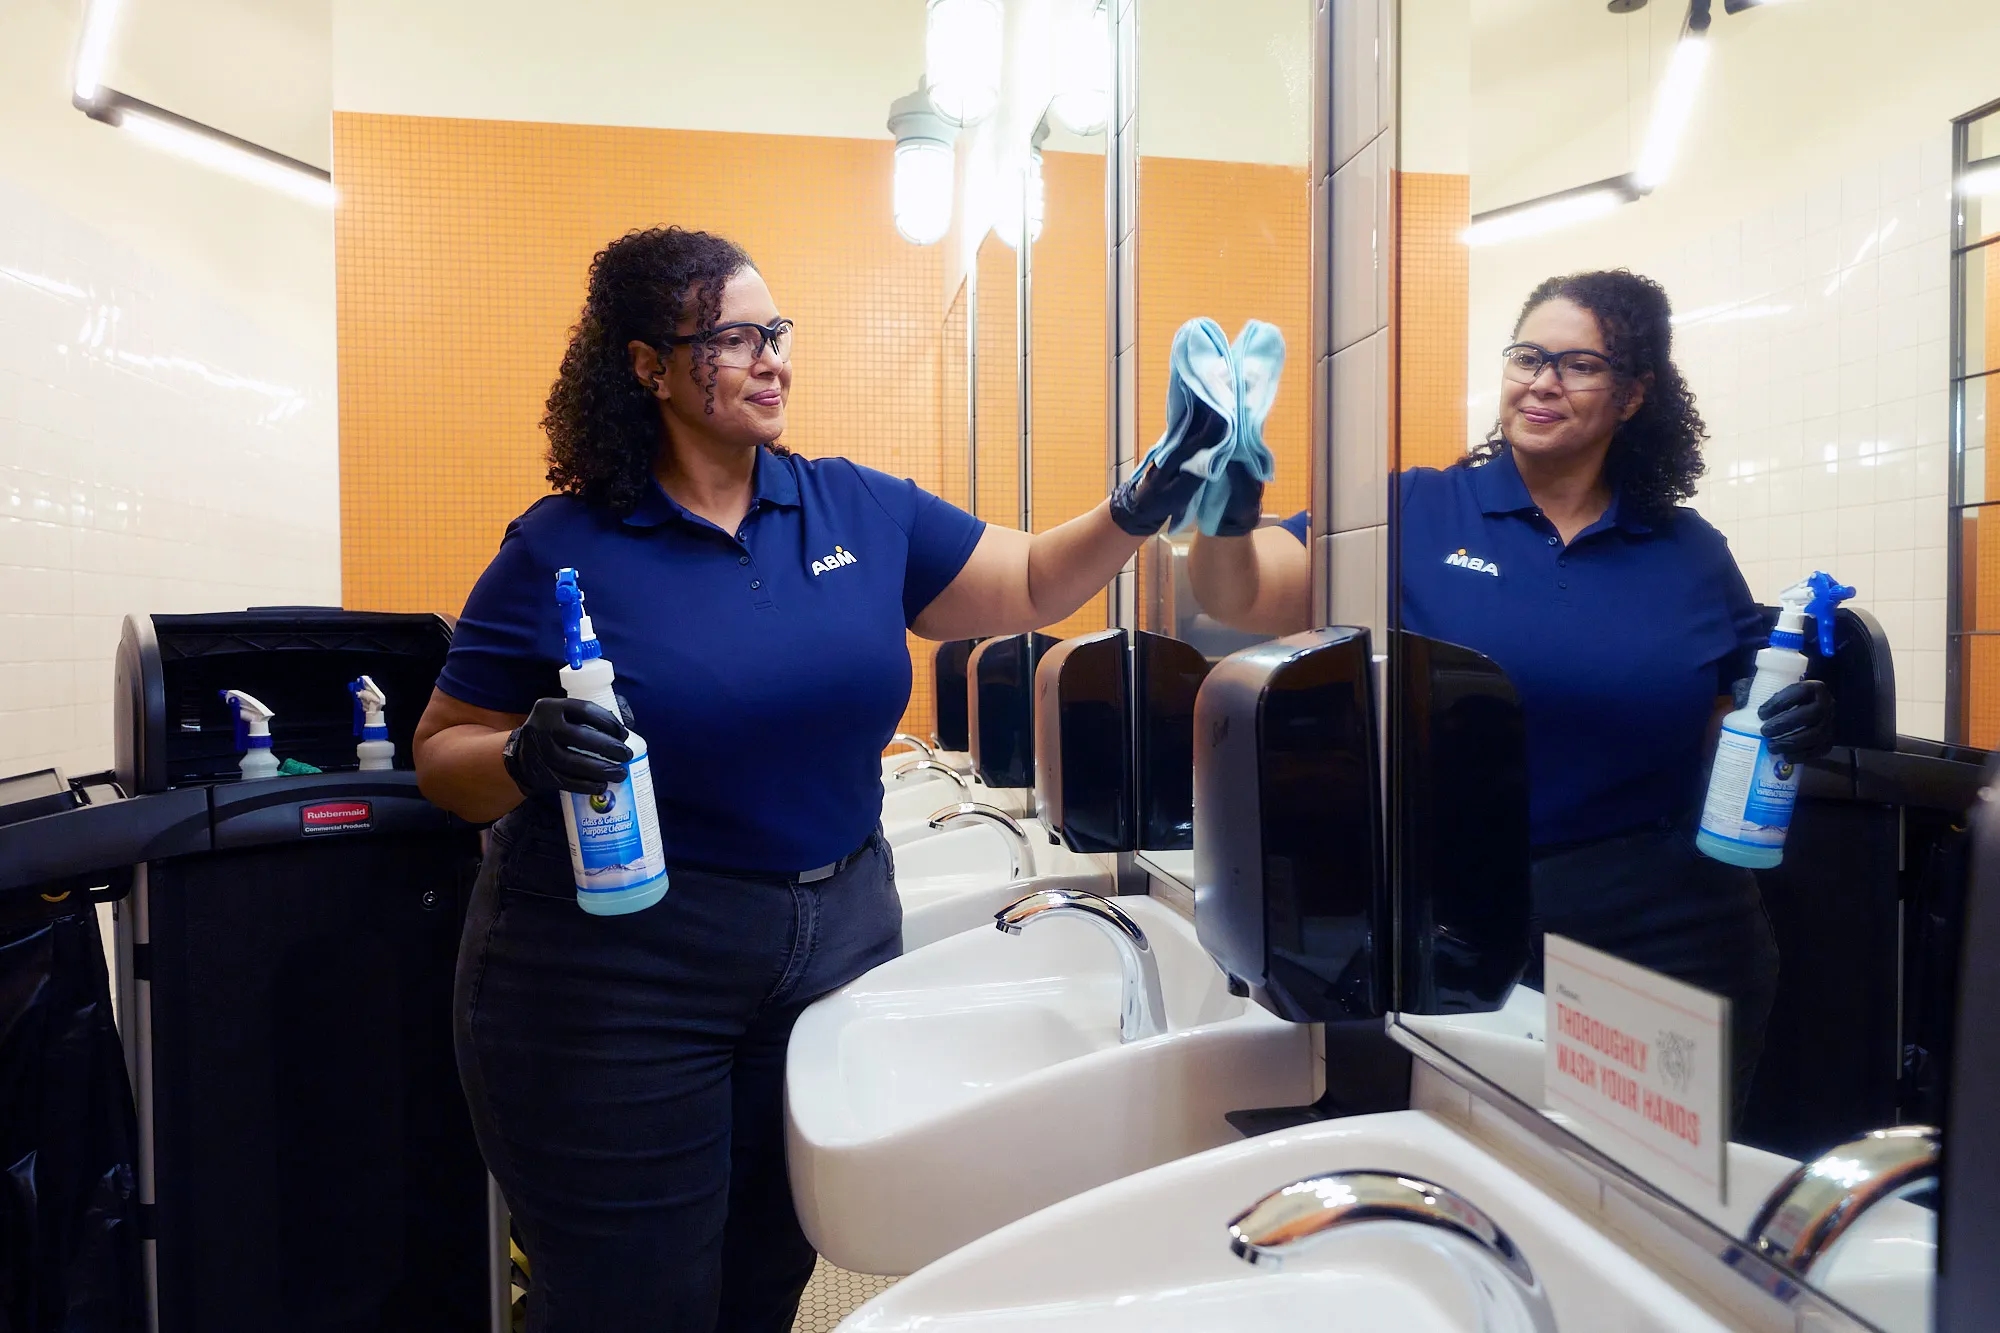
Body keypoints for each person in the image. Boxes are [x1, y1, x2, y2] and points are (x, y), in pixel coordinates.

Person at [411, 226, 1211, 1333]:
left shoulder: (853, 509)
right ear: (648, 366)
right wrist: (518, 753)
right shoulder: (567, 543)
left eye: (774, 332)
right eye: (731, 337)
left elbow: (1028, 578)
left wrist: (1148, 491)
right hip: (618, 977)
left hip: (831, 950)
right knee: (633, 1301)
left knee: (762, 1282)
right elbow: (442, 754)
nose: (771, 358)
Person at [1188, 270, 1834, 1101]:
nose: (1541, 381)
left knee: (1646, 1192)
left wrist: (1801, 714)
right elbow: (1235, 593)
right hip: (1452, 913)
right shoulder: (1412, 511)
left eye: (1578, 365)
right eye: (1528, 356)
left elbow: (1747, 700)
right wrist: (1225, 504)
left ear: (1633, 395)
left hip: (1663, 930)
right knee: (1470, 1162)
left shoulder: (1687, 550)